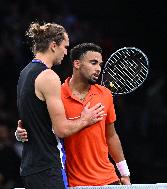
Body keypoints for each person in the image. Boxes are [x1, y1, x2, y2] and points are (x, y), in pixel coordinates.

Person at [16, 43, 131, 186]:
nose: (98, 69)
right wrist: (22, 132)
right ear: (77, 63)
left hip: (108, 179)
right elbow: (41, 125)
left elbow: (111, 135)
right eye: (93, 63)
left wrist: (125, 173)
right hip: (72, 181)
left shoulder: (105, 94)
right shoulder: (56, 94)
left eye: (100, 64)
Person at [16, 23, 105, 189]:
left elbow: (29, 121)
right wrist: (86, 119)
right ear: (53, 46)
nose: (66, 52)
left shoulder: (25, 72)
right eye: (65, 47)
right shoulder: (49, 76)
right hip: (48, 167)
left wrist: (19, 133)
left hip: (30, 167)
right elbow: (61, 129)